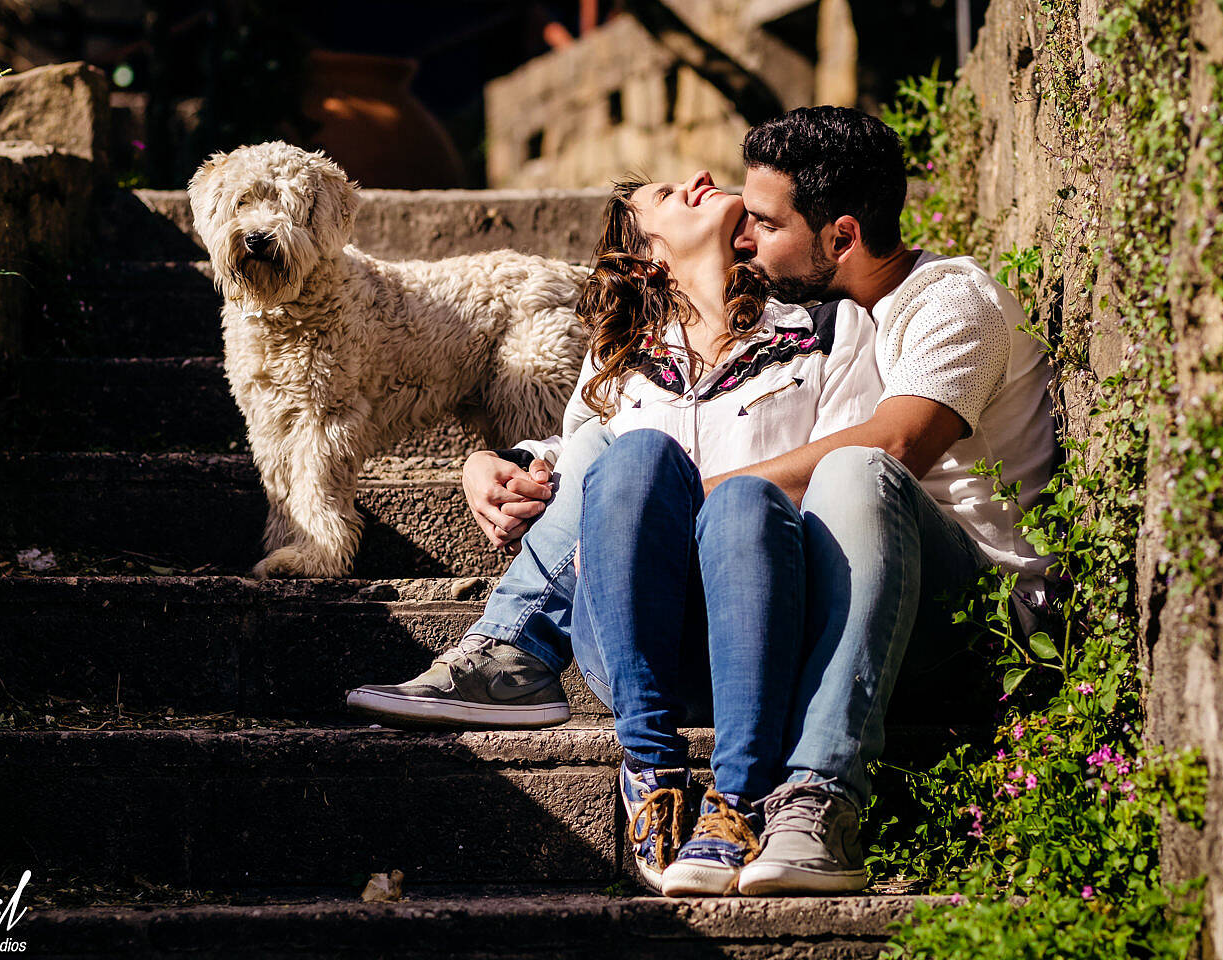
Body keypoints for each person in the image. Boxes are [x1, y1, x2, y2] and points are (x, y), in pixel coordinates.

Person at [350, 105, 1057, 897]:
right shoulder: (640, 351)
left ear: (843, 237)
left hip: (948, 612)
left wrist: (690, 502)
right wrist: (506, 460)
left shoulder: (907, 311)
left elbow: (887, 450)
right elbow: (591, 451)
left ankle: (815, 796)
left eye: (761, 221)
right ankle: (552, 679)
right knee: (619, 454)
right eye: (741, 219)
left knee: (846, 474)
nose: (747, 237)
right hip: (734, 613)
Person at [357, 169, 883, 896]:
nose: (699, 176)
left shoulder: (825, 331)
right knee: (629, 452)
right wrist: (497, 462)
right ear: (651, 256)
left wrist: (717, 501)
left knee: (738, 504)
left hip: (767, 630)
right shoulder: (621, 359)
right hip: (638, 655)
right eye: (667, 194)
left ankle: (734, 796)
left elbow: (842, 479)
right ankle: (651, 764)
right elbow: (575, 458)